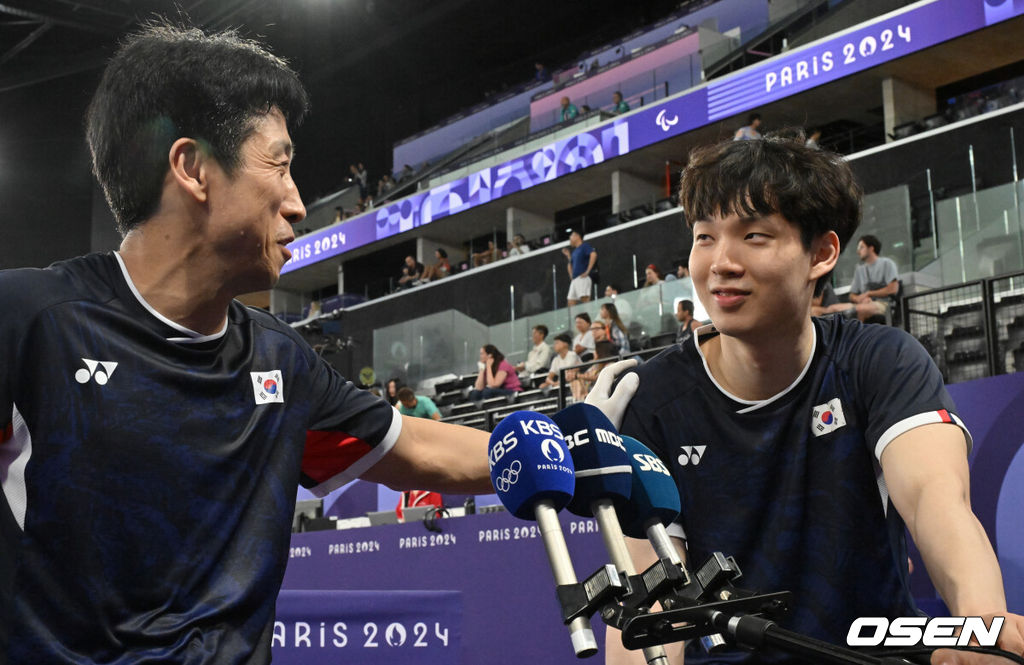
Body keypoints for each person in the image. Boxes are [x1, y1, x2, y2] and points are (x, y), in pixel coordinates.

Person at [0, 22, 494, 665]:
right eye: (280, 164)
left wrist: (567, 449)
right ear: (192, 167)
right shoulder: (29, 321)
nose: (297, 204)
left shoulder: (281, 361)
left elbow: (419, 448)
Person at [594, 135, 1024, 664]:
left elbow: (938, 502)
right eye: (705, 237)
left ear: (821, 253)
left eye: (753, 235)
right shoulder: (651, 401)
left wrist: (980, 627)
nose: (721, 262)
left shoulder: (881, 361)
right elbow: (652, 597)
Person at [571, 322, 617, 402]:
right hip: (591, 396)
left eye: (596, 329)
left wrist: (578, 375)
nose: (593, 332)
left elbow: (598, 377)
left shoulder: (610, 365)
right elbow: (586, 375)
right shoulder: (595, 365)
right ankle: (579, 400)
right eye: (592, 329)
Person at [562, 229, 597, 305]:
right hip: (575, 280)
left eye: (571, 235)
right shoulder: (574, 252)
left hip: (582, 278)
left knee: (585, 301)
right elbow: (570, 264)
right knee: (570, 302)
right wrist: (568, 256)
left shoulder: (584, 246)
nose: (570, 237)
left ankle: (587, 316)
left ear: (577, 236)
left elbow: (593, 255)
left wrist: (587, 271)